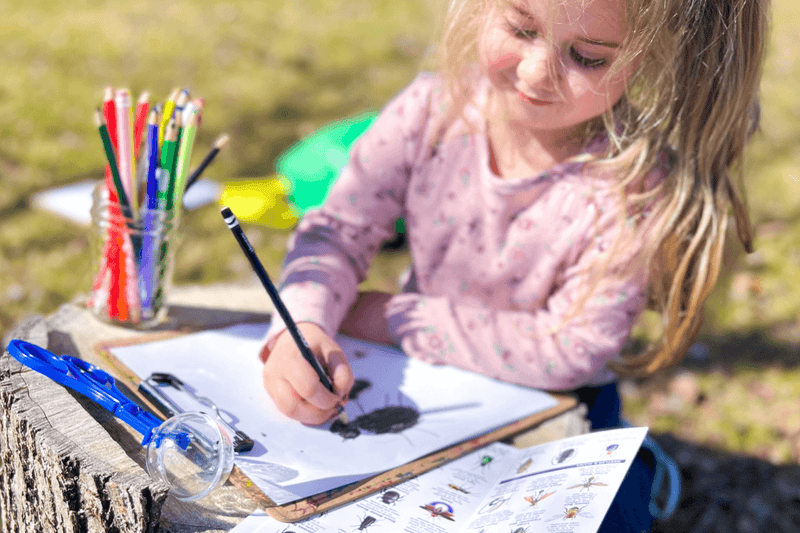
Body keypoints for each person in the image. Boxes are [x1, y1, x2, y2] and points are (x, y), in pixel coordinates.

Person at [260, 0, 767, 530]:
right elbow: (337, 230)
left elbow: (570, 347)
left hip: (562, 404)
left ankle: (638, 469)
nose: (535, 73)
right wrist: (302, 325)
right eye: (521, 29)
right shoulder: (429, 114)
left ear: (648, 58)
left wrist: (394, 320)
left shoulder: (634, 187)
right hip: (425, 380)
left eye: (589, 57)